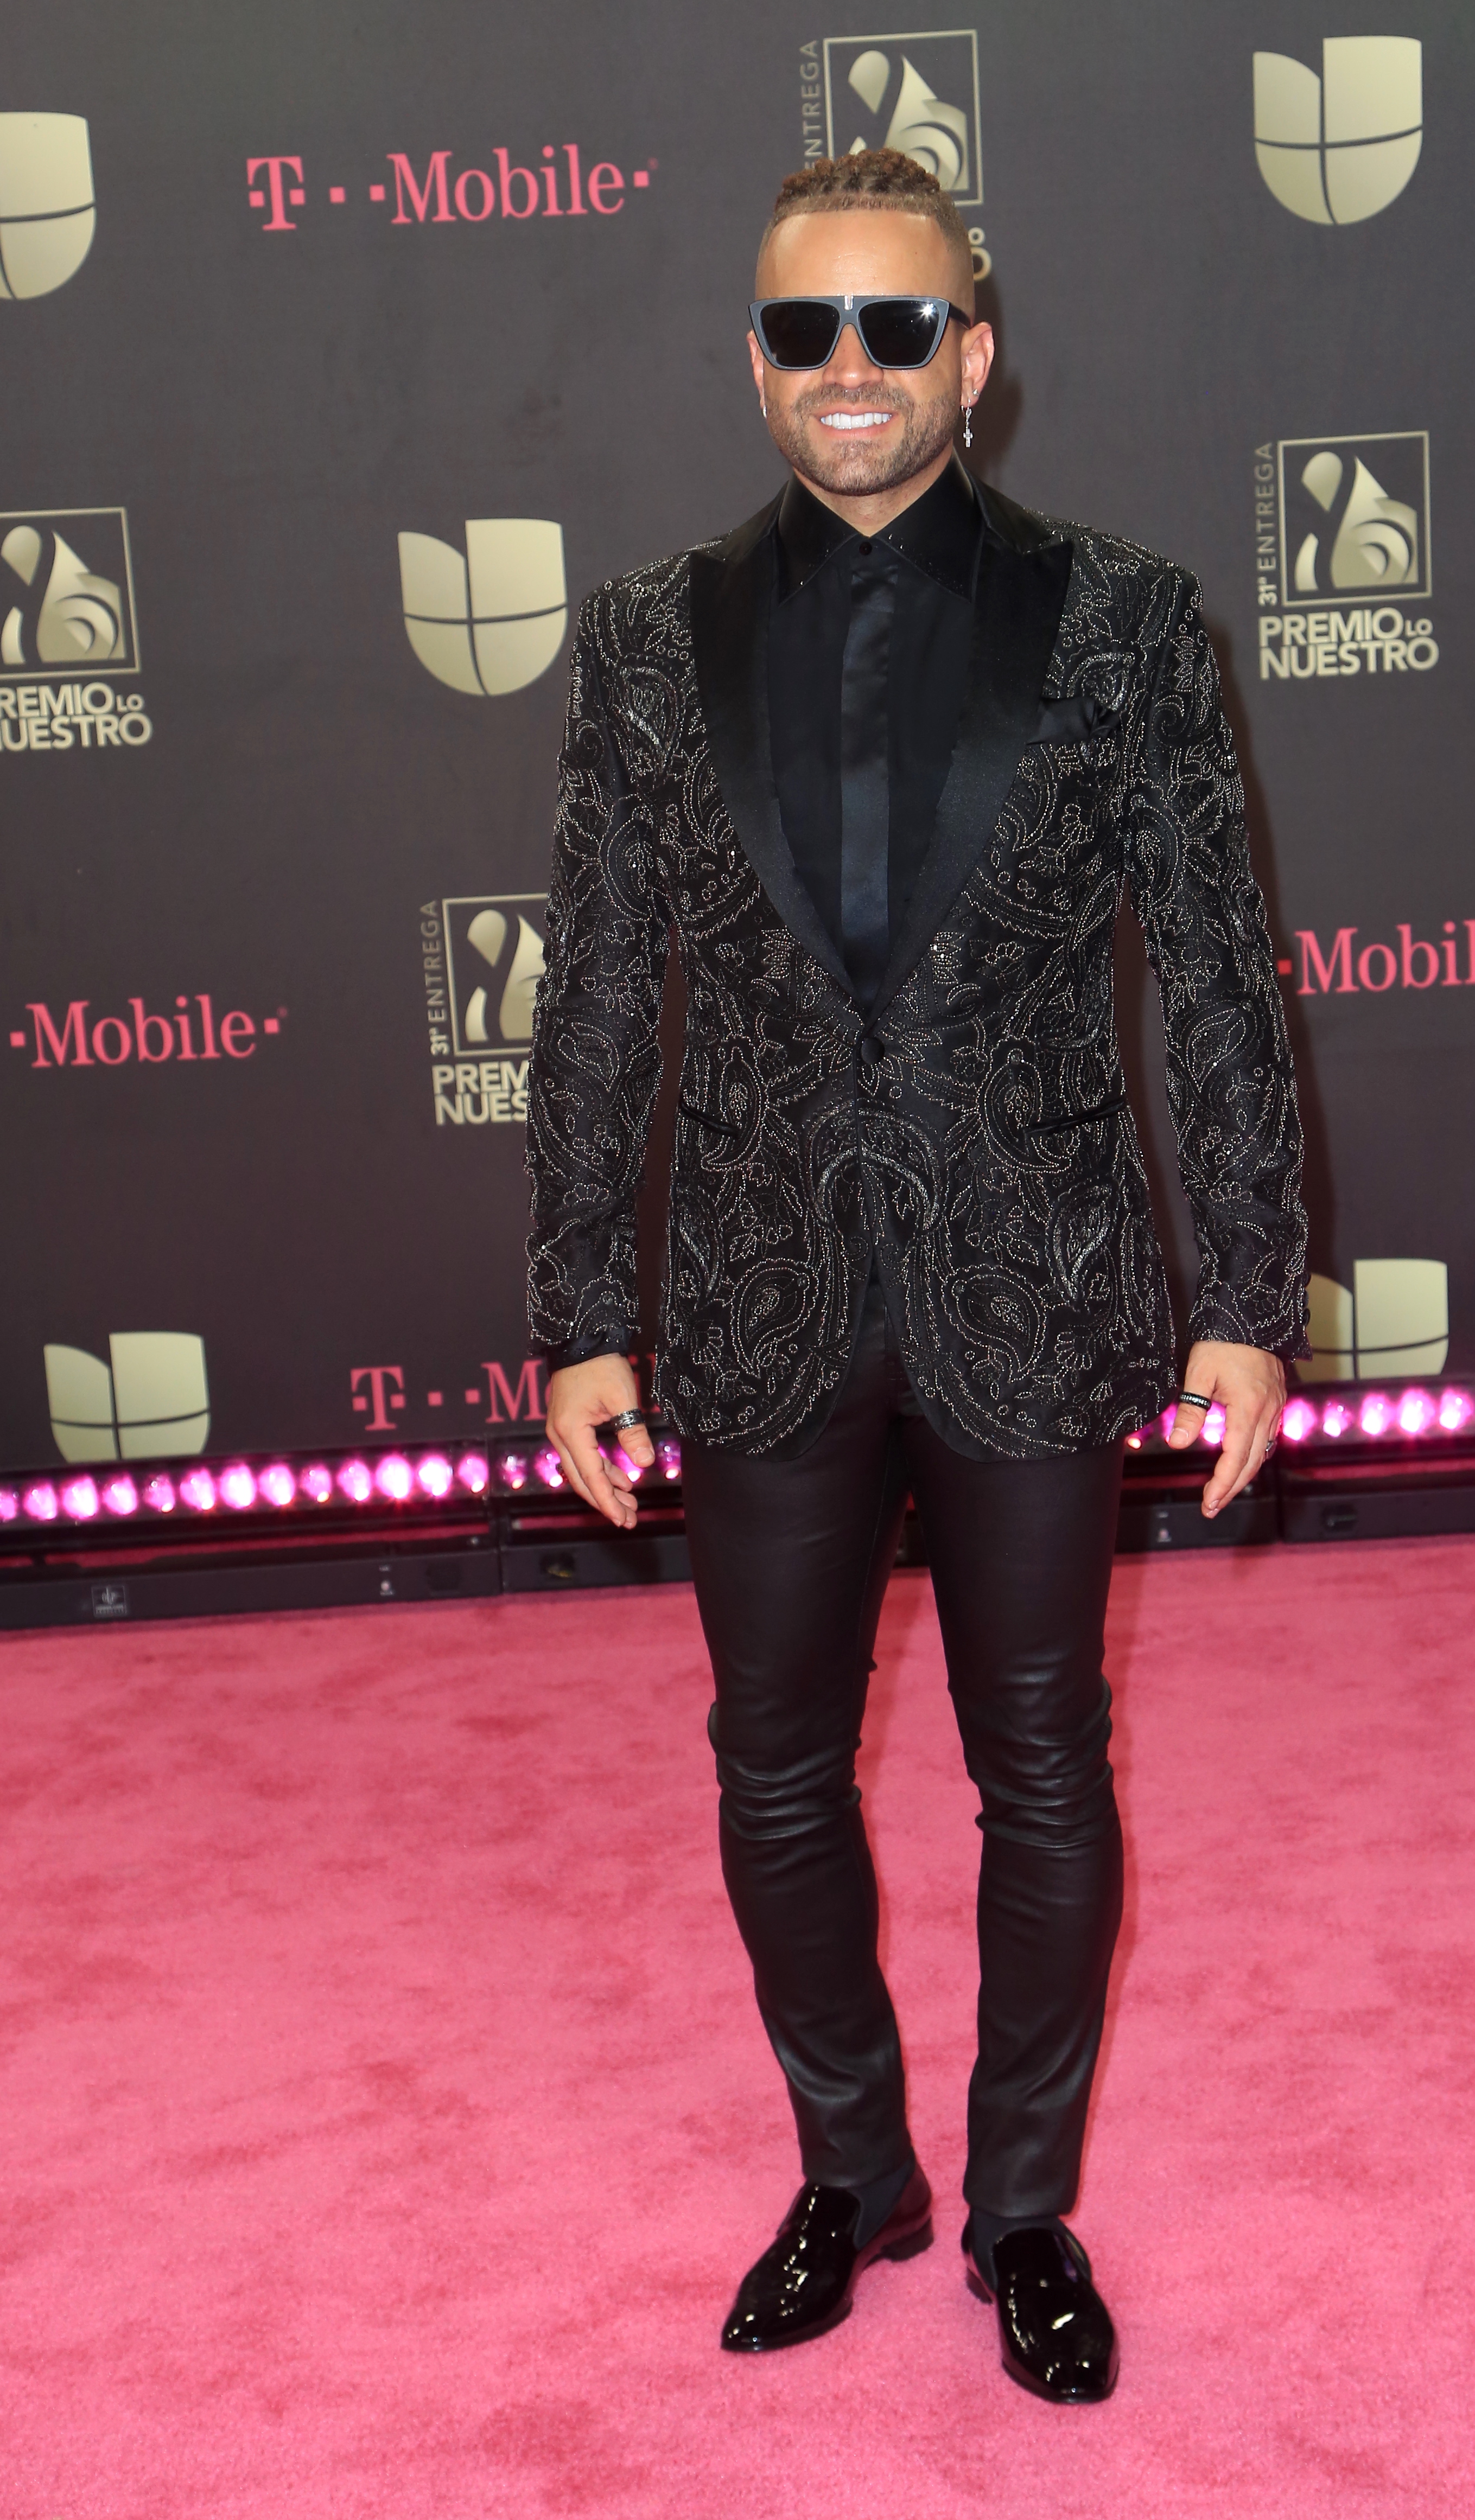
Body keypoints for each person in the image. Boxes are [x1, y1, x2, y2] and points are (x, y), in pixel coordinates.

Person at [527, 149, 1307, 2404]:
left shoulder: (1133, 620)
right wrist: (577, 1303)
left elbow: (1220, 993)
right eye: (802, 331)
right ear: (751, 363)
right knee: (771, 1766)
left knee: (1040, 1768)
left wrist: (1247, 1288)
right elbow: (592, 996)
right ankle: (846, 2173)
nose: (846, 370)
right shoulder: (646, 639)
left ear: (974, 352)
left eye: (893, 326)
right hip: (760, 1287)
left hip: (1038, 1283)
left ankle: (1026, 2207)